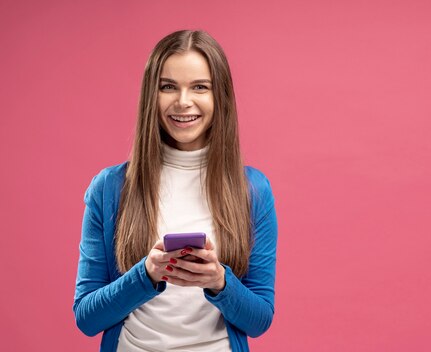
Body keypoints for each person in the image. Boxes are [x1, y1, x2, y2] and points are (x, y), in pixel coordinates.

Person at [73, 30, 278, 352]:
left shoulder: (252, 190)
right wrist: (147, 274)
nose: (183, 101)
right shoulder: (109, 188)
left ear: (219, 96)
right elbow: (87, 317)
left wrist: (219, 282)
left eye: (200, 87)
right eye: (168, 86)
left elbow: (259, 319)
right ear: (151, 96)